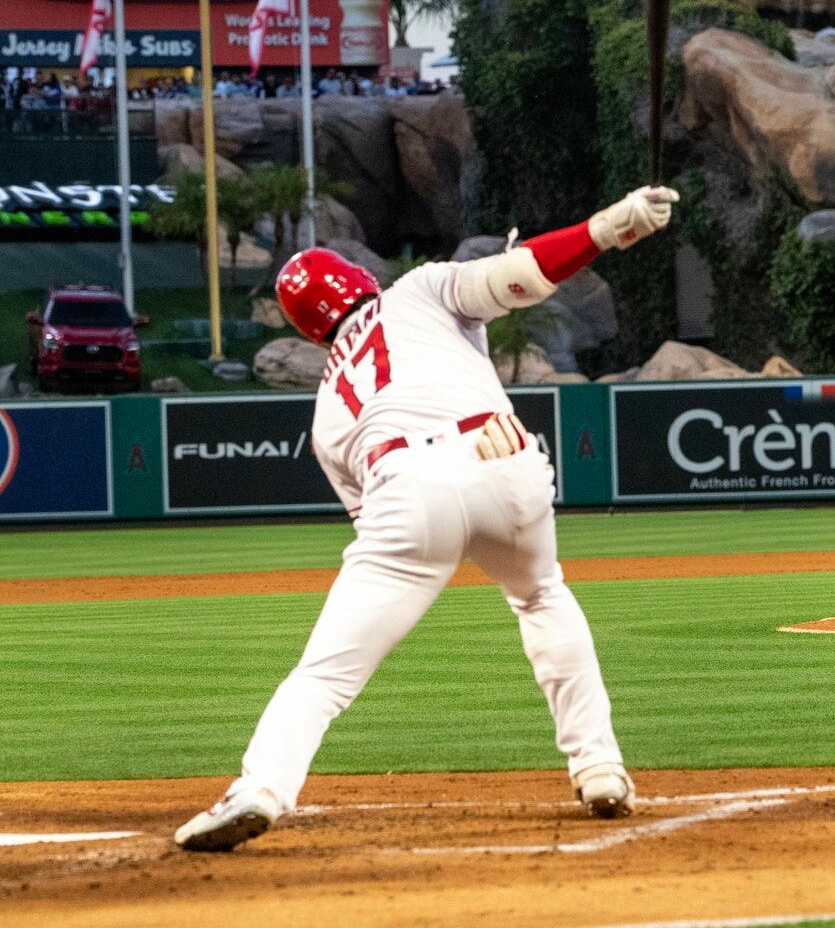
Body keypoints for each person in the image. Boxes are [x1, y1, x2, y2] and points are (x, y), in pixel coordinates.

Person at [174, 184, 680, 852]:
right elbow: (518, 276)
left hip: (403, 485)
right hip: (507, 457)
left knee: (325, 674)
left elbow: (379, 522)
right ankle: (600, 769)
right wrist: (606, 227)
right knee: (541, 596)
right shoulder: (415, 291)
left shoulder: (326, 410)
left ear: (308, 329)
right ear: (359, 279)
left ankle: (260, 789)